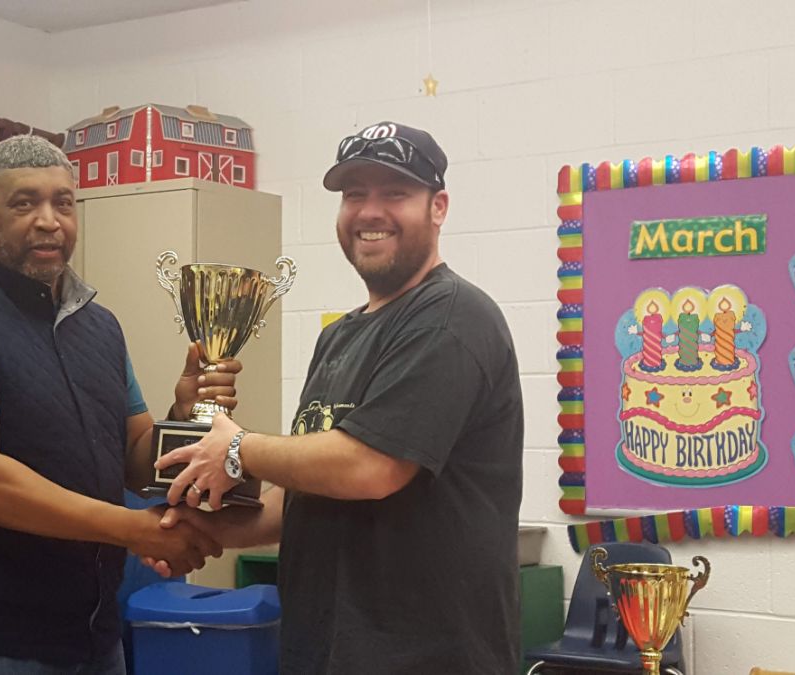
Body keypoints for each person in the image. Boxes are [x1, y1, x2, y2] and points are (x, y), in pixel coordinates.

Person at [152, 122, 524, 674]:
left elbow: (371, 467)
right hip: (323, 650)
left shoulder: (451, 318)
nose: (370, 211)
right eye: (354, 194)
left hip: (425, 659)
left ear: (438, 207)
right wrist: (203, 530)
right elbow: (307, 491)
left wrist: (236, 447)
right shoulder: (340, 337)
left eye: (394, 192)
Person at [0, 134, 237, 673]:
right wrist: (132, 528)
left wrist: (183, 413)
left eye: (63, 203)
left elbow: (134, 457)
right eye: (24, 203)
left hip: (92, 634)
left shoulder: (99, 327)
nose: (49, 221)